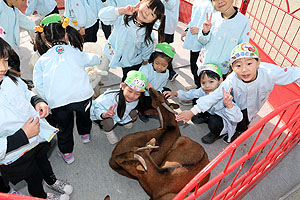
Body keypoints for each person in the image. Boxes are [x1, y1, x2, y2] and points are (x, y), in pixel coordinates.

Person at [176, 43, 300, 144]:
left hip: (255, 103)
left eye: (249, 63)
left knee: (244, 121)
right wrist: (193, 111)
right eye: (238, 65)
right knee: (230, 114)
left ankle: (239, 131)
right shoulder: (232, 79)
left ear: (258, 63)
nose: (244, 69)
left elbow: (293, 73)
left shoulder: (269, 72)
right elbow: (215, 95)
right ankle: (222, 129)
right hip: (235, 102)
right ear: (232, 68)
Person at [0, 38, 73, 200]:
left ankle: (51, 180)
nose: (3, 68)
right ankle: (40, 195)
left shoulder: (8, 78)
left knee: (43, 160)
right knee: (33, 176)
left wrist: (37, 101)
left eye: (5, 61)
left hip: (37, 137)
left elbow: (25, 92)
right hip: (15, 154)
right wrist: (23, 136)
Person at [33, 14, 101, 164]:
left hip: (59, 102)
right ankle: (85, 135)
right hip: (82, 96)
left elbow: (38, 84)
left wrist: (48, 98)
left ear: (45, 39)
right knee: (84, 117)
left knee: (64, 128)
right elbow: (91, 59)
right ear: (66, 33)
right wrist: (99, 58)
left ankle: (67, 153)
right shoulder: (75, 52)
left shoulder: (43, 60)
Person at [164, 64, 243, 144]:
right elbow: (191, 94)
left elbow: (237, 117)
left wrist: (230, 106)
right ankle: (207, 118)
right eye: (203, 82)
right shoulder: (203, 90)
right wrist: (175, 93)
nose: (207, 86)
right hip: (212, 112)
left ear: (221, 80)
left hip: (223, 118)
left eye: (211, 81)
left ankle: (216, 134)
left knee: (214, 121)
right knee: (197, 100)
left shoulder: (224, 96)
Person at [99, 0, 166, 82]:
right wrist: (122, 10)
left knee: (128, 81)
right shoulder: (124, 17)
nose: (147, 13)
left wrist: (145, 60)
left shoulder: (148, 34)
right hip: (113, 52)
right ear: (141, 3)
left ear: (154, 20)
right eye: (148, 7)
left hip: (132, 61)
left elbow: (147, 49)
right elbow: (102, 15)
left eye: (152, 14)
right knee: (100, 68)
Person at [90, 70, 147, 144]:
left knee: (133, 112)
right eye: (130, 91)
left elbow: (130, 107)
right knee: (108, 122)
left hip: (118, 113)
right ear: (123, 86)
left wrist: (132, 115)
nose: (132, 96)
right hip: (102, 114)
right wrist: (104, 114)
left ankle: (123, 120)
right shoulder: (109, 98)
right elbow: (97, 109)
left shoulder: (136, 99)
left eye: (137, 93)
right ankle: (108, 131)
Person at [197, 0, 250, 78]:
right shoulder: (212, 18)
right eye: (215, 0)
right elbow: (202, 40)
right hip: (204, 63)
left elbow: (242, 47)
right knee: (202, 83)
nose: (220, 1)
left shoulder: (243, 22)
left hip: (222, 69)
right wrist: (205, 32)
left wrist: (234, 68)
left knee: (217, 88)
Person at [181, 0, 214, 88]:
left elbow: (217, 26)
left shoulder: (216, 4)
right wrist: (187, 29)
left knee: (203, 71)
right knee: (194, 67)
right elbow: (194, 19)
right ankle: (198, 86)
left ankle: (201, 90)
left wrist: (200, 30)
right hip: (194, 43)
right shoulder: (198, 1)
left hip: (205, 45)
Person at [139, 42, 175, 122]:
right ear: (153, 60)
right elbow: (138, 82)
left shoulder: (167, 73)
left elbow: (162, 85)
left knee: (167, 92)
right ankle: (142, 112)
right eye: (157, 63)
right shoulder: (145, 69)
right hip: (144, 93)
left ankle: (154, 108)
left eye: (164, 65)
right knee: (145, 103)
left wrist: (162, 91)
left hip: (156, 91)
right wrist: (145, 84)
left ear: (168, 65)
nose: (159, 67)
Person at [158, 0, 180, 81]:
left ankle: (170, 72)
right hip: (164, 23)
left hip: (167, 24)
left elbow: (170, 5)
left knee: (163, 49)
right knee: (163, 47)